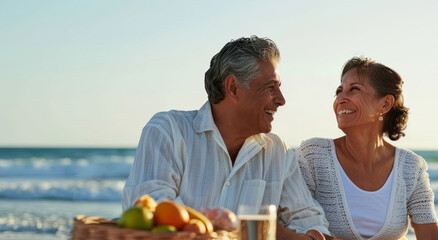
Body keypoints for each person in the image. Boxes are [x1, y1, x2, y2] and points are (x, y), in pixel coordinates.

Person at [122, 36, 331, 240]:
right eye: (270, 87)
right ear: (233, 87)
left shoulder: (278, 152)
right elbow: (150, 213)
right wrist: (261, 229)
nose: (281, 100)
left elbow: (311, 222)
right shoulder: (168, 131)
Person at [296, 57, 438, 239]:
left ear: (385, 104)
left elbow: (431, 236)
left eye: (354, 89)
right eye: (339, 91)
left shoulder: (411, 167)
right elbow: (297, 228)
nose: (340, 99)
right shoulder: (313, 155)